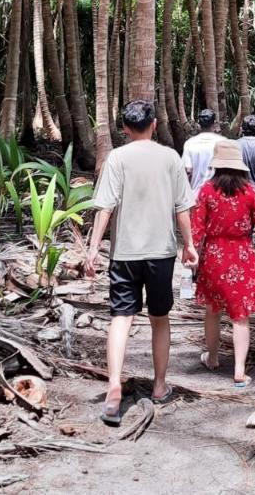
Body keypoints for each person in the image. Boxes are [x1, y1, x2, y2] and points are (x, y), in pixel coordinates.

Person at [84, 100, 198, 425]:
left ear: (124, 128)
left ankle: (114, 386)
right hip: (161, 252)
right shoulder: (169, 157)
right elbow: (182, 209)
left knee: (121, 318)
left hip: (124, 254)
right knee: (159, 318)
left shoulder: (117, 158)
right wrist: (189, 245)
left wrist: (93, 249)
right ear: (155, 124)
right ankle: (160, 387)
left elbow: (104, 207)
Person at [191, 140, 255, 388]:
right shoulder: (250, 192)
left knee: (212, 310)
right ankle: (239, 371)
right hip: (242, 256)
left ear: (217, 165)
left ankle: (212, 358)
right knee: (240, 316)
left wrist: (191, 254)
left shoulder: (207, 190)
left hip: (214, 256)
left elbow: (197, 227)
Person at [182, 108, 226, 197]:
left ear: (199, 124)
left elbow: (187, 171)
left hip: (196, 196)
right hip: (218, 197)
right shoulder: (223, 142)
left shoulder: (190, 143)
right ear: (214, 123)